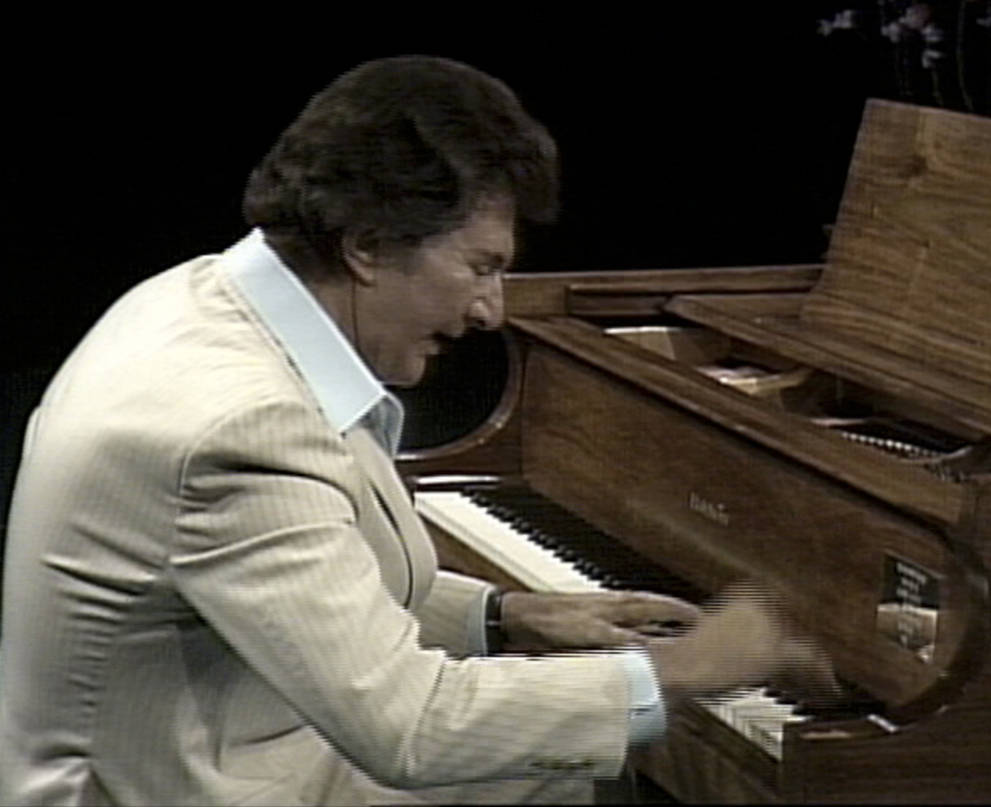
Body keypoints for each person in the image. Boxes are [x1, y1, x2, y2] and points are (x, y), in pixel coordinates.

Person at [0, 56, 835, 806]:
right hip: (167, 785)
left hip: (206, 747)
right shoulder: (237, 424)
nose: (491, 311)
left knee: (560, 753)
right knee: (564, 765)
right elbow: (411, 729)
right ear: (366, 245)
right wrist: (689, 667)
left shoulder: (208, 300)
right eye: (481, 266)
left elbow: (299, 583)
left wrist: (507, 616)